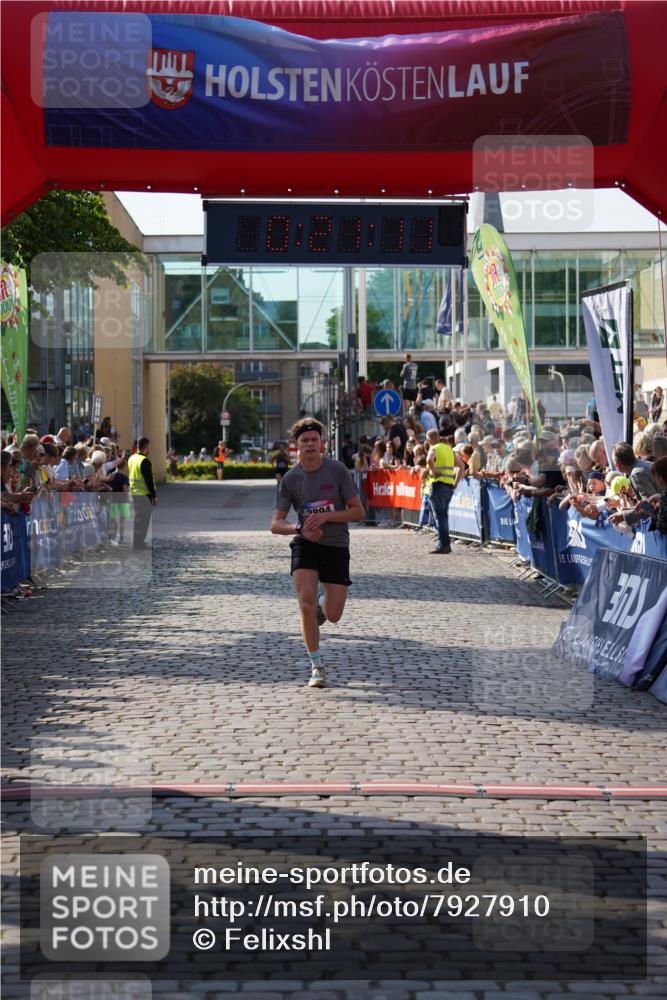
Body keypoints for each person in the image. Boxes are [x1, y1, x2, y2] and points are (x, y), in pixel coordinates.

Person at [270, 417, 365, 690]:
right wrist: (299, 527)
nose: (310, 445)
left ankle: (324, 604)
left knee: (333, 615)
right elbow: (276, 523)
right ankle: (317, 665)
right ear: (296, 446)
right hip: (305, 542)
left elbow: (358, 511)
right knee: (305, 602)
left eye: (314, 440)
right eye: (304, 441)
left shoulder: (336, 471)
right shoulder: (291, 479)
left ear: (322, 444)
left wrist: (326, 518)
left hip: (335, 544)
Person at [426, 428, 462, 554]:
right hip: (448, 487)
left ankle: (444, 545)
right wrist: (455, 482)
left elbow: (429, 460)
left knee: (440, 517)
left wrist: (435, 472)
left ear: (430, 439)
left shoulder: (434, 448)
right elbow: (461, 466)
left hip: (438, 485)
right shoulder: (448, 449)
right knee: (444, 516)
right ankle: (445, 544)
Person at [128, 436, 157, 550]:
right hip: (144, 494)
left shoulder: (132, 458)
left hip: (134, 493)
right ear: (146, 447)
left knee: (138, 519)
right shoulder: (145, 461)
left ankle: (137, 542)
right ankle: (139, 543)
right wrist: (154, 496)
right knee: (144, 520)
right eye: (148, 447)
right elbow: (149, 480)